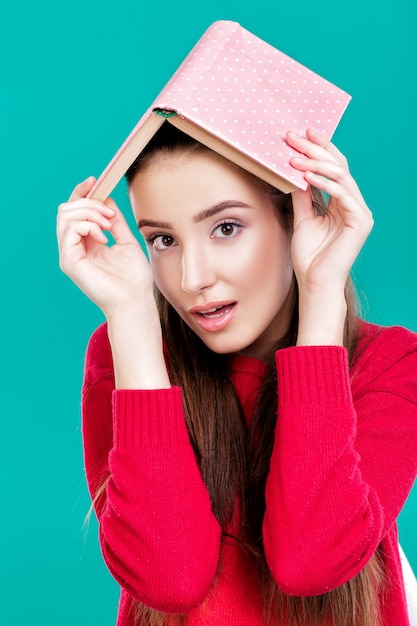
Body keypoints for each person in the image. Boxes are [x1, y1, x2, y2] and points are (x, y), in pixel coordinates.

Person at [57, 122, 417, 626]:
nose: (192, 278)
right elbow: (170, 579)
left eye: (226, 228)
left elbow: (311, 562)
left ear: (295, 218)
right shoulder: (126, 356)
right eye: (162, 239)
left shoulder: (391, 363)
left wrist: (322, 295)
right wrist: (131, 315)